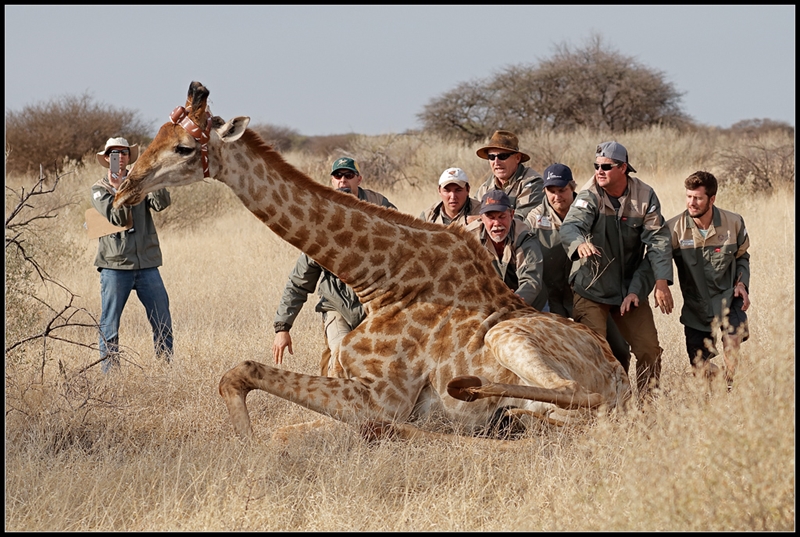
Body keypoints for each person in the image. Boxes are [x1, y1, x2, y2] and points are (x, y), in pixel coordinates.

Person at [560, 142, 674, 400]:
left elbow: (657, 242)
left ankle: (647, 406)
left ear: (623, 168)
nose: (599, 171)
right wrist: (579, 243)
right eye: (596, 166)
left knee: (649, 349)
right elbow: (571, 227)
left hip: (629, 288)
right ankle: (601, 408)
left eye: (606, 167)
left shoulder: (645, 195)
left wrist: (659, 282)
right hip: (591, 288)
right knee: (594, 350)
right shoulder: (589, 194)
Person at [273, 157, 397, 377]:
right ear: (332, 181)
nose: (343, 180)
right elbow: (299, 281)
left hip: (375, 304)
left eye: (349, 175)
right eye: (338, 176)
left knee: (381, 362)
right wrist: (282, 327)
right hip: (337, 304)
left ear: (359, 178)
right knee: (341, 353)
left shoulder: (381, 211)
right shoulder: (322, 224)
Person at [526, 163, 632, 368]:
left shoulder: (589, 209)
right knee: (560, 354)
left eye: (562, 190)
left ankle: (622, 398)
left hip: (588, 294)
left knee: (618, 350)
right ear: (544, 191)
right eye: (551, 191)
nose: (557, 196)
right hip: (552, 297)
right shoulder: (533, 219)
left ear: (572, 187)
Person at [90, 136, 173, 373]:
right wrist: (120, 188)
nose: (119, 157)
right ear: (106, 159)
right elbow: (116, 218)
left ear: (129, 157)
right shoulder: (99, 190)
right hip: (115, 267)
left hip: (147, 264)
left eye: (124, 153)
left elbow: (162, 203)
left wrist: (151, 178)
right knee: (110, 325)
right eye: (114, 153)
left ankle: (165, 371)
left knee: (162, 322)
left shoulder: (140, 182)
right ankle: (111, 376)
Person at [666, 171, 750, 389]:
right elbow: (658, 260)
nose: (691, 203)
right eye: (688, 197)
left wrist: (742, 284)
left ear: (712, 199)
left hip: (728, 298)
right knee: (700, 370)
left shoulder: (734, 223)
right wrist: (661, 284)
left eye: (698, 198)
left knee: (732, 339)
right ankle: (717, 380)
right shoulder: (674, 228)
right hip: (696, 305)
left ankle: (730, 387)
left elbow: (742, 257)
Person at [465, 190, 546, 310]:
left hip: (528, 303)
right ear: (481, 218)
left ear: (512, 214)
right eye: (491, 218)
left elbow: (531, 281)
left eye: (502, 217)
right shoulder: (468, 239)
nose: (497, 223)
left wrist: (513, 301)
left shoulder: (525, 237)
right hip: (487, 303)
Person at [474, 130, 543, 223]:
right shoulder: (485, 188)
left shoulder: (533, 183)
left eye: (503, 156)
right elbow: (473, 216)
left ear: (517, 158)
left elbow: (519, 221)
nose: (496, 162)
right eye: (491, 157)